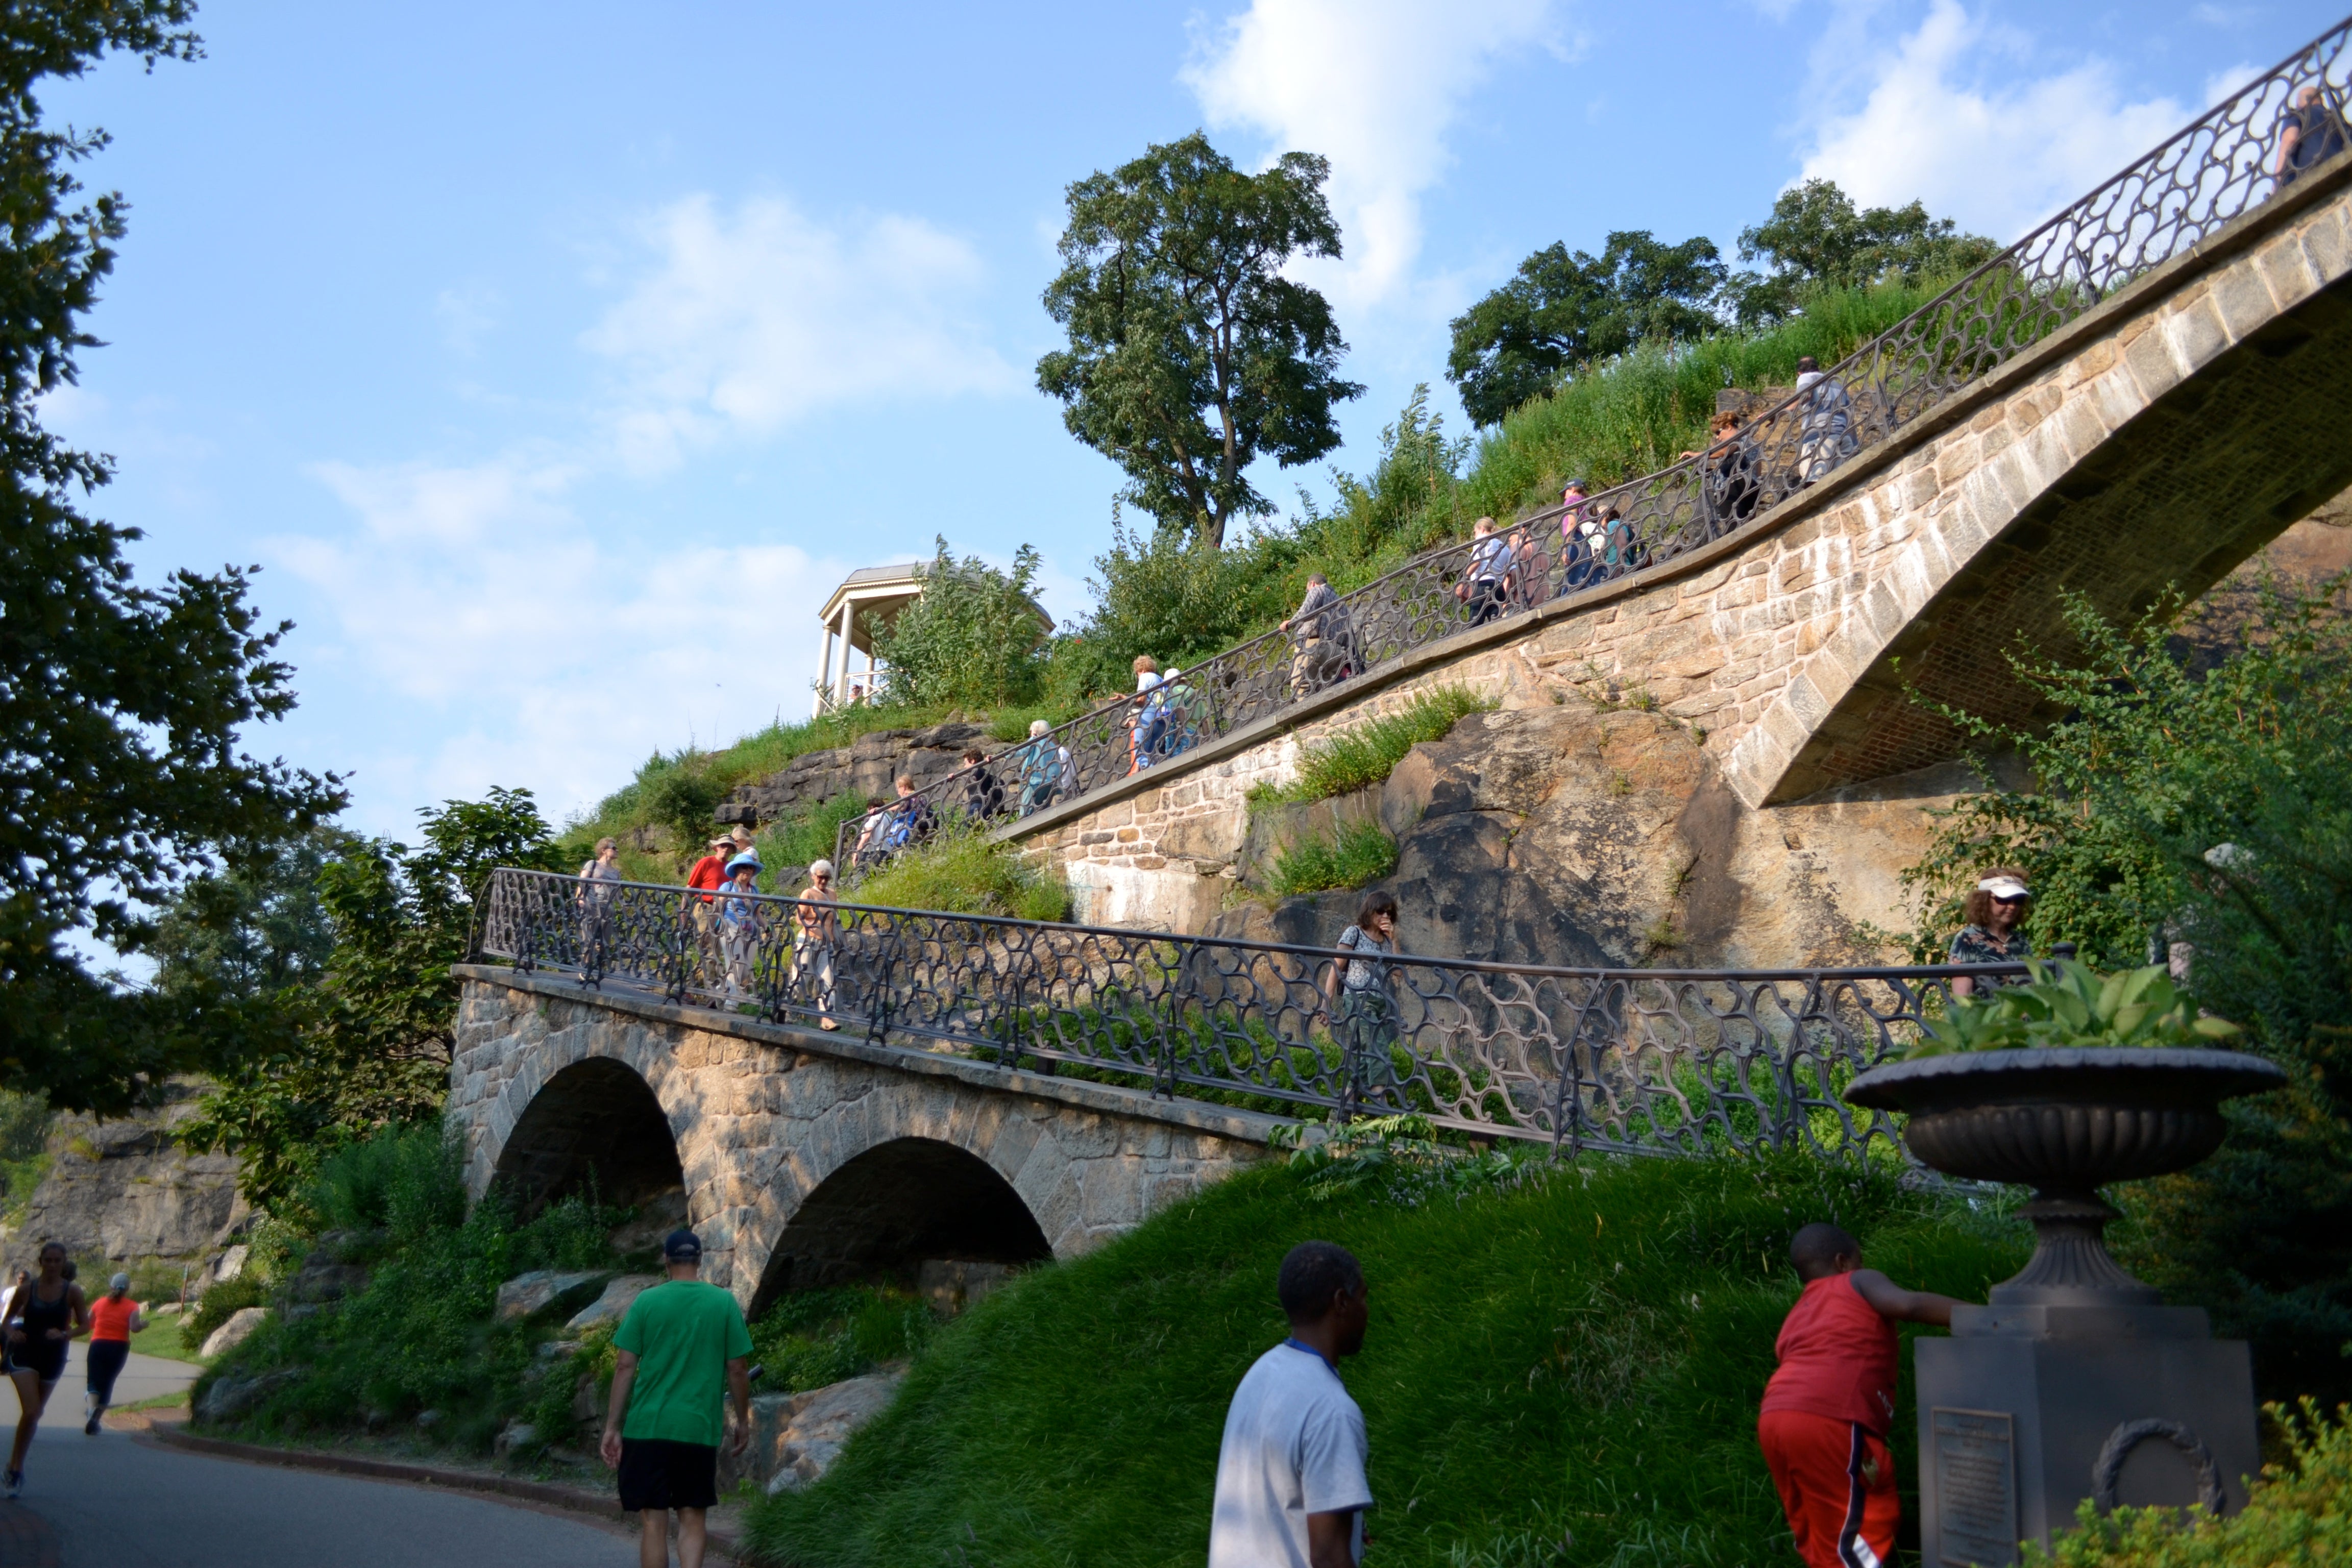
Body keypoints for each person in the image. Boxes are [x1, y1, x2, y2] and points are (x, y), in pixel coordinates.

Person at [1758, 1222, 1967, 1568]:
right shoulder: (1856, 1280)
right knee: (1865, 1522)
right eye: (1860, 1259)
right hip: (1830, 1415)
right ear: (1843, 1262)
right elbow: (1908, 1305)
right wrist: (1984, 1317)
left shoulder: (1800, 1312)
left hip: (1775, 1418)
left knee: (1821, 1526)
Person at [1208, 1241, 1373, 1568]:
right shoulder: (1331, 1410)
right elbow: (1328, 1557)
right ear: (1341, 1302)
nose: (1367, 1309)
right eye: (1364, 1296)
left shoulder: (1260, 1376)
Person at [600, 1229, 753, 1568]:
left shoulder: (646, 1302)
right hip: (696, 1428)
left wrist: (613, 1426)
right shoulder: (723, 1302)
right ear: (700, 1261)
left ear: (666, 1260)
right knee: (692, 1518)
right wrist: (743, 1420)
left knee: (654, 1522)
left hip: (648, 1427)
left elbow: (625, 1366)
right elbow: (739, 1369)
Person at [4, 1241, 90, 1497]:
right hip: (25, 1353)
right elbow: (7, 1320)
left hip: (53, 1355)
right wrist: (11, 1334)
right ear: (40, 1262)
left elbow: (85, 1326)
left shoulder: (72, 1292)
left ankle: (14, 1465)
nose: (52, 1265)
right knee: (32, 1410)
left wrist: (65, 1333)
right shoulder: (27, 1289)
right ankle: (16, 1468)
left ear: (64, 1264)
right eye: (48, 1260)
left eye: (57, 1261)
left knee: (34, 1415)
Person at [1320, 892, 1404, 1112]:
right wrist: (1325, 1002)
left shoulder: (1387, 941)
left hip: (1379, 1003)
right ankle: (1380, 1103)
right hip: (1358, 998)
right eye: (1380, 911)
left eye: (1389, 912)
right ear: (1370, 911)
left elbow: (1397, 973)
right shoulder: (1354, 932)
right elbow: (1336, 966)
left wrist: (1394, 940)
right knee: (1378, 1048)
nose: (1385, 915)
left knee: (1363, 1057)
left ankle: (1341, 1111)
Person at [1948, 870, 2034, 997]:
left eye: (2018, 900)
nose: (2012, 906)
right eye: (2004, 899)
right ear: (1984, 901)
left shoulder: (2020, 940)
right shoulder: (1967, 939)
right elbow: (1963, 997)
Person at [1683, 410, 1760, 537]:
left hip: (1734, 487)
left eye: (1718, 432)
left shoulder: (1738, 438)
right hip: (1748, 485)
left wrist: (1697, 455)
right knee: (1746, 527)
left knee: (1733, 531)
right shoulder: (1749, 440)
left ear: (1728, 426)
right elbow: (1759, 467)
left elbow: (1726, 450)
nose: (1718, 437)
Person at [84, 1271, 142, 1434]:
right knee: (108, 1383)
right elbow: (134, 1328)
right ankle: (96, 1419)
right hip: (119, 1347)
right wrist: (143, 1325)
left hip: (98, 1344)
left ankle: (90, 1413)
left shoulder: (99, 1303)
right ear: (128, 1289)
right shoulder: (132, 1306)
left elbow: (88, 1324)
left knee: (93, 1382)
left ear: (111, 1286)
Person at [791, 860, 841, 1032]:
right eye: (820, 877)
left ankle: (827, 1019)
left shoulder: (833, 894)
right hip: (808, 941)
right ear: (813, 876)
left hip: (827, 944)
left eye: (827, 878)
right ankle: (789, 1009)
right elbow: (799, 918)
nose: (824, 881)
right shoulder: (808, 894)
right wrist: (814, 926)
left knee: (829, 981)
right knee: (801, 978)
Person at [683, 834, 734, 997]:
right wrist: (683, 911)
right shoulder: (706, 862)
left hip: (723, 911)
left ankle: (698, 989)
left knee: (715, 952)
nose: (725, 849)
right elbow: (690, 887)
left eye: (729, 846)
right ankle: (702, 991)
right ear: (717, 847)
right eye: (723, 845)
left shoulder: (731, 868)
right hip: (706, 908)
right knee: (706, 949)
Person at [1282, 574, 1348, 697]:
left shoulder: (1317, 590)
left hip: (1315, 645)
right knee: (1326, 689)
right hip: (1337, 650)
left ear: (1312, 583)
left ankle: (1306, 715)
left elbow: (1306, 611)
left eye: (1307, 589)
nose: (1308, 591)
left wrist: (1290, 623)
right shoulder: (1342, 603)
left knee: (1300, 686)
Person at [1794, 357, 1856, 485]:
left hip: (1820, 438)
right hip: (1843, 437)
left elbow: (1806, 395)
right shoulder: (1837, 384)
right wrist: (1855, 444)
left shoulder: (1805, 378)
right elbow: (1850, 416)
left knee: (1814, 483)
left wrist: (1781, 411)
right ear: (1818, 368)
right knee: (1844, 484)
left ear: (1799, 373)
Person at [2274, 83, 2348, 187]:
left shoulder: (2298, 114)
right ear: (2321, 99)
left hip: (2312, 174)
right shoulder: (2335, 117)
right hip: (2344, 167)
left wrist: (2277, 180)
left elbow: (2289, 139)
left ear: (2300, 103)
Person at [716, 853, 764, 1000]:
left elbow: (758, 913)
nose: (748, 870)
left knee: (745, 970)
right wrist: (715, 927)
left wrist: (767, 927)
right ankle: (732, 1002)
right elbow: (717, 907)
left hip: (751, 932)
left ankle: (721, 990)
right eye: (745, 867)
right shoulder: (728, 887)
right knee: (736, 964)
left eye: (751, 868)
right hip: (732, 928)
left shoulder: (754, 890)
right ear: (737, 869)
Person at [1456, 518, 1511, 626]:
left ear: (1482, 529)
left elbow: (1477, 563)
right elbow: (1511, 570)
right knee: (1497, 622)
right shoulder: (1504, 546)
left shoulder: (1481, 539)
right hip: (1498, 587)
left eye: (1474, 532)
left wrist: (1463, 580)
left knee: (1474, 624)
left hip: (1482, 585)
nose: (1474, 536)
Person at [577, 836, 623, 964]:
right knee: (588, 938)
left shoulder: (616, 872)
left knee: (605, 941)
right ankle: (585, 969)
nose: (617, 850)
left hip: (608, 907)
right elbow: (582, 881)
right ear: (604, 850)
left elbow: (618, 893)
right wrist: (580, 898)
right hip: (592, 904)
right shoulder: (593, 864)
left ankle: (599, 970)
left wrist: (623, 905)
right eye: (614, 848)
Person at [1014, 719, 1066, 817]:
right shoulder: (1052, 745)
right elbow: (1057, 765)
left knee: (1025, 814)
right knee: (1041, 812)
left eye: (1031, 732)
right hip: (1051, 782)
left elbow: (1019, 751)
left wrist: (1004, 756)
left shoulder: (1035, 741)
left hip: (1035, 782)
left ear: (1035, 732)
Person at [960, 749, 1006, 822]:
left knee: (969, 824)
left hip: (979, 806)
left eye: (965, 763)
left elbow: (973, 779)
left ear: (972, 761)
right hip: (984, 807)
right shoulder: (983, 771)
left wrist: (959, 777)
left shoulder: (978, 770)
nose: (965, 767)